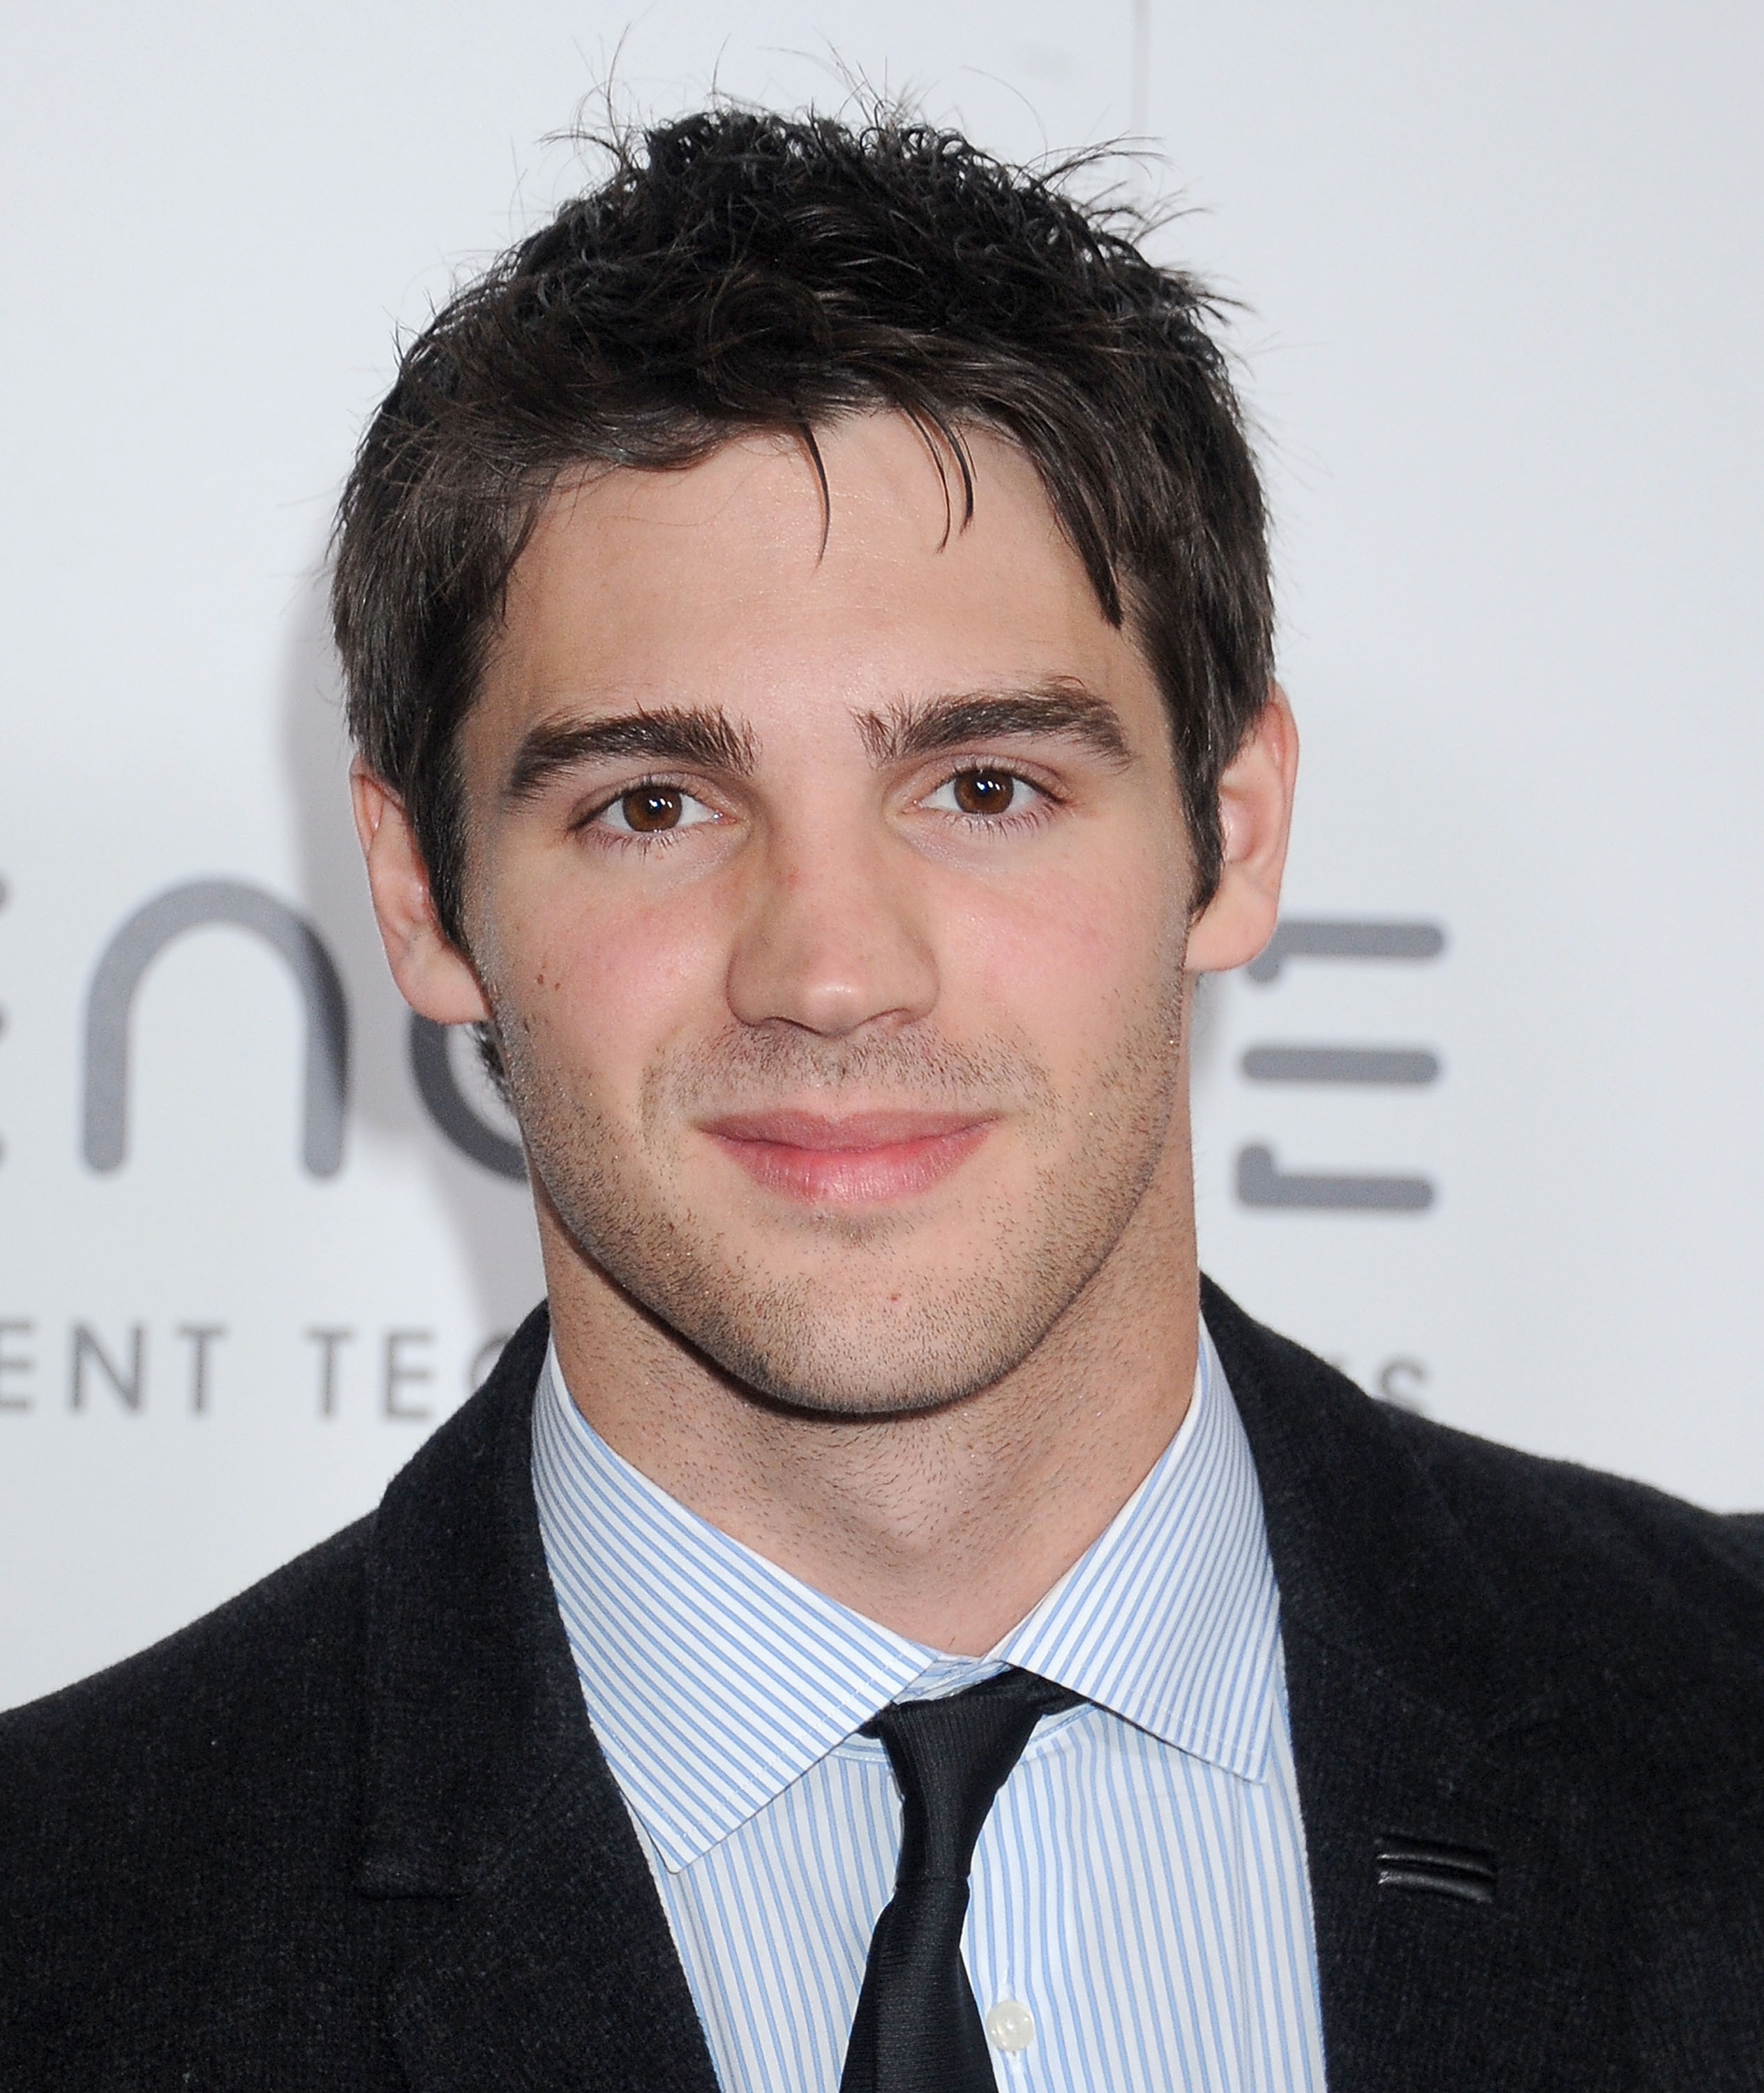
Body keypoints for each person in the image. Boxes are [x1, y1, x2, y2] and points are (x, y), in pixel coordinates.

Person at [3, 105, 1762, 2093]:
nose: (832, 970)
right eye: (653, 806)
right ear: (424, 897)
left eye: (985, 787)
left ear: (1235, 830)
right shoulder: (64, 1937)